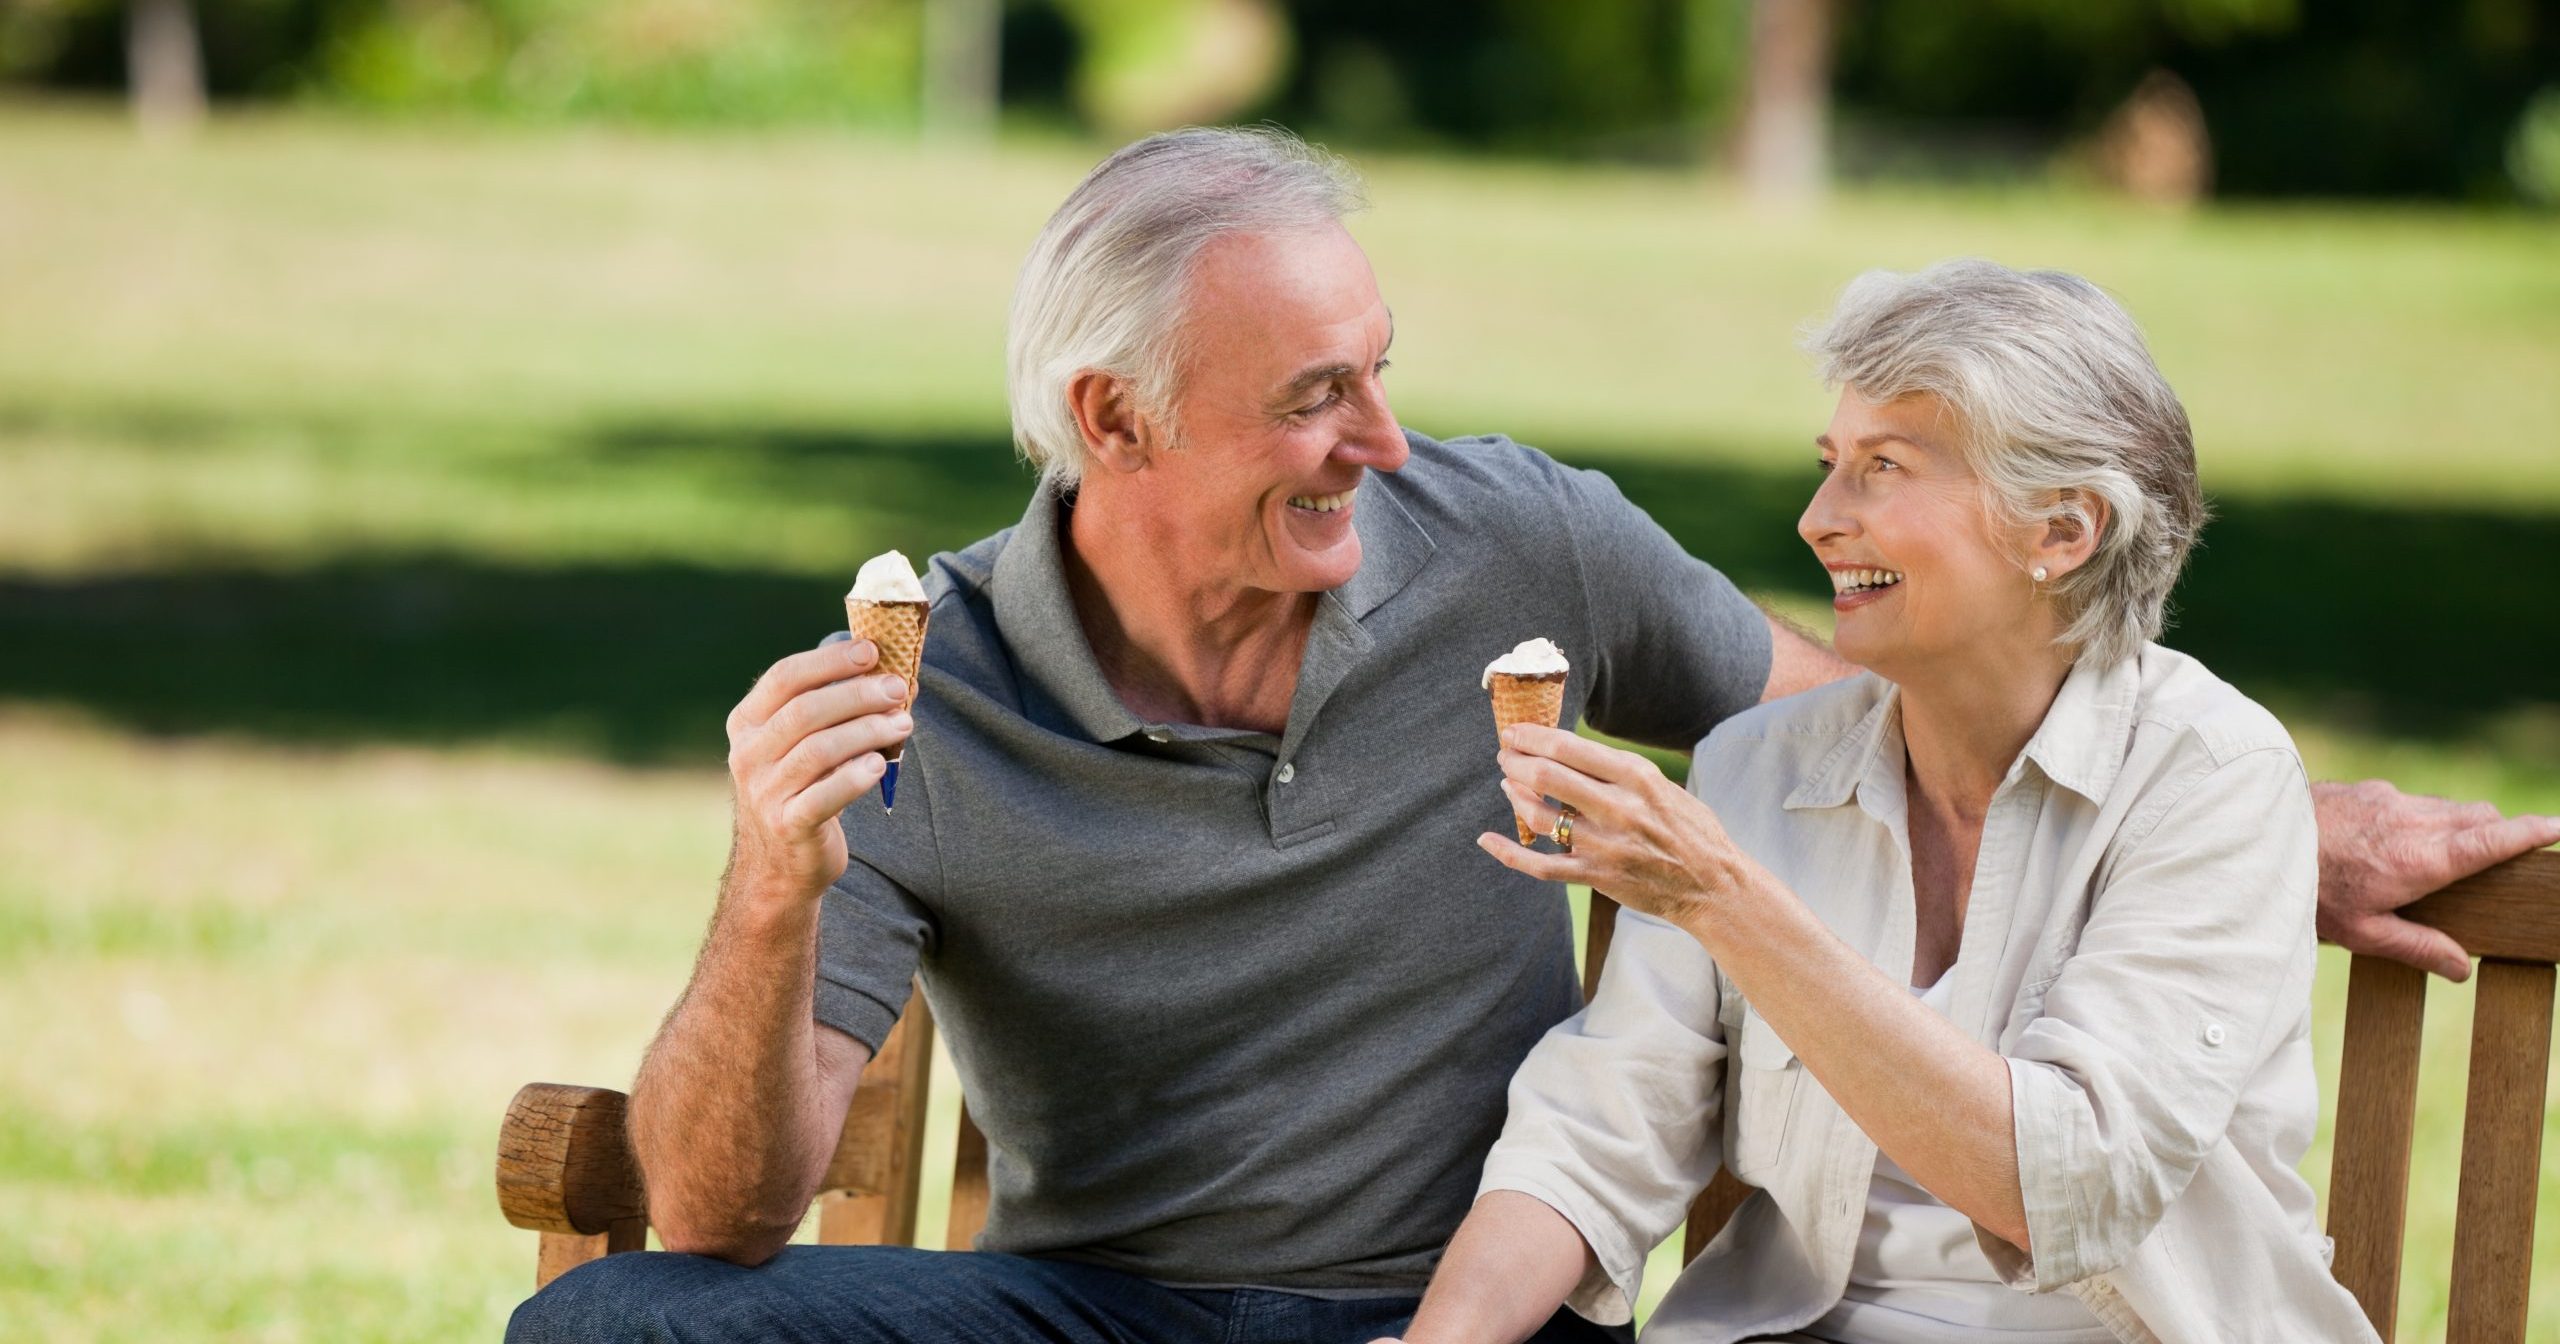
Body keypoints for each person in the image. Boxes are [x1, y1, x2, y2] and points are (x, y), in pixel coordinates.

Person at [506, 131, 2556, 1344]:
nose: (1381, 446)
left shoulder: (1513, 539)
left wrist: (2272, 825)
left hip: (1476, 1318)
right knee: (610, 1326)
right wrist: (772, 886)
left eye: (1378, 374)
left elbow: (1893, 719)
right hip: (1100, 1308)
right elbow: (718, 1217)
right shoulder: (918, 685)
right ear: (1113, 421)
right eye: (1311, 400)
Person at [1387, 261, 2400, 1344]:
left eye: (1882, 469)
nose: (1819, 519)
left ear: (2061, 533)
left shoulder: (2212, 778)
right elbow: (1598, 1133)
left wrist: (1722, 898)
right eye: (1830, 465)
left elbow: (2070, 1186)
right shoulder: (1755, 770)